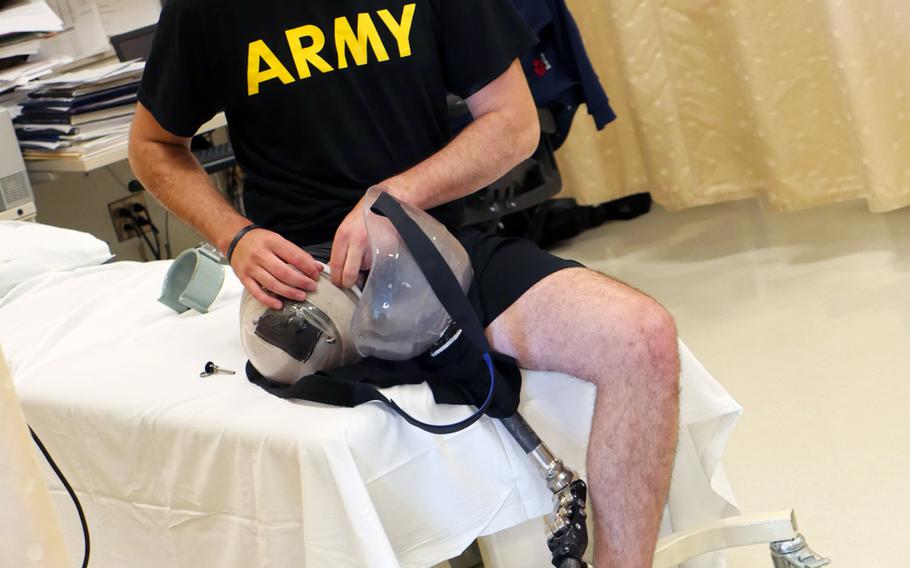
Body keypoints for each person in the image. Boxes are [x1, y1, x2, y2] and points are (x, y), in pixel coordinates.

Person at [128, 0, 680, 565]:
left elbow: (513, 123)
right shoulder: (204, 10)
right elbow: (152, 146)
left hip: (435, 244)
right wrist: (236, 237)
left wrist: (394, 199)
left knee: (643, 337)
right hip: (308, 275)